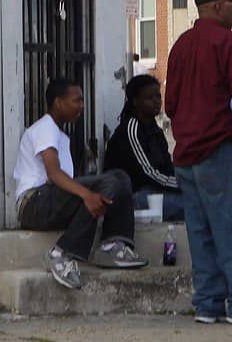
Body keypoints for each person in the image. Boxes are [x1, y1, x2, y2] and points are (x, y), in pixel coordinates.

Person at [164, 0, 232, 326]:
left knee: (201, 233)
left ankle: (208, 304)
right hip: (222, 147)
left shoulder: (180, 45)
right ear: (218, 5)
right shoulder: (230, 44)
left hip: (186, 153)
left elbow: (170, 103)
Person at [13, 78, 147, 290]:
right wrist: (87, 194)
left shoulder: (60, 135)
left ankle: (113, 245)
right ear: (58, 103)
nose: (82, 106)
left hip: (49, 201)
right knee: (107, 183)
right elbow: (54, 174)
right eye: (77, 100)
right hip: (34, 204)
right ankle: (60, 253)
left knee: (120, 177)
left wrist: (88, 195)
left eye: (83, 101)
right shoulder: (45, 128)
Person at [104, 74, 184, 223]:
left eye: (158, 96)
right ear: (135, 101)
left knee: (198, 200)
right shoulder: (131, 129)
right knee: (190, 206)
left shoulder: (155, 130)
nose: (156, 101)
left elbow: (167, 167)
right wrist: (183, 184)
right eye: (149, 98)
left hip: (155, 191)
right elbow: (148, 172)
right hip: (133, 196)